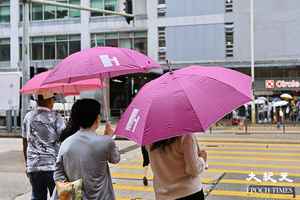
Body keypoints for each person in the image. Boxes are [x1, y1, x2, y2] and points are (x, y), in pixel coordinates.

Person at [53, 99, 120, 200]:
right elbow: (115, 159)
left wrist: (74, 193)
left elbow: (58, 173)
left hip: (76, 197)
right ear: (97, 118)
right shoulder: (105, 142)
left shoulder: (66, 143)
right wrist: (109, 137)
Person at [22, 93, 65, 200]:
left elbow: (25, 142)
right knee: (57, 197)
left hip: (33, 166)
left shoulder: (28, 117)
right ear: (49, 100)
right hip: (53, 166)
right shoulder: (56, 117)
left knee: (37, 196)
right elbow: (64, 140)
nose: (53, 102)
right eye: (52, 99)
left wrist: (27, 164)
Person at [148, 134, 207, 200]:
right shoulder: (186, 135)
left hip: (163, 195)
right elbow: (193, 170)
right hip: (189, 193)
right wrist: (202, 159)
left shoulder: (149, 139)